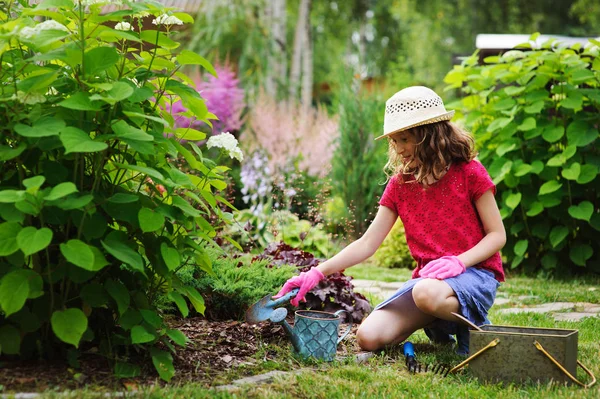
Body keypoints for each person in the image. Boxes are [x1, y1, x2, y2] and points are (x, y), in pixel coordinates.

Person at [274, 86, 506, 355]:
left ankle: (474, 325)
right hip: (430, 284)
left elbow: (497, 235)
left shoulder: (469, 172)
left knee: (426, 294)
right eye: (394, 141)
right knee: (369, 337)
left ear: (430, 135)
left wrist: (459, 261)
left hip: (474, 274)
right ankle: (439, 321)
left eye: (405, 139)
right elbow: (367, 243)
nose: (399, 148)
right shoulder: (401, 184)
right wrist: (316, 272)